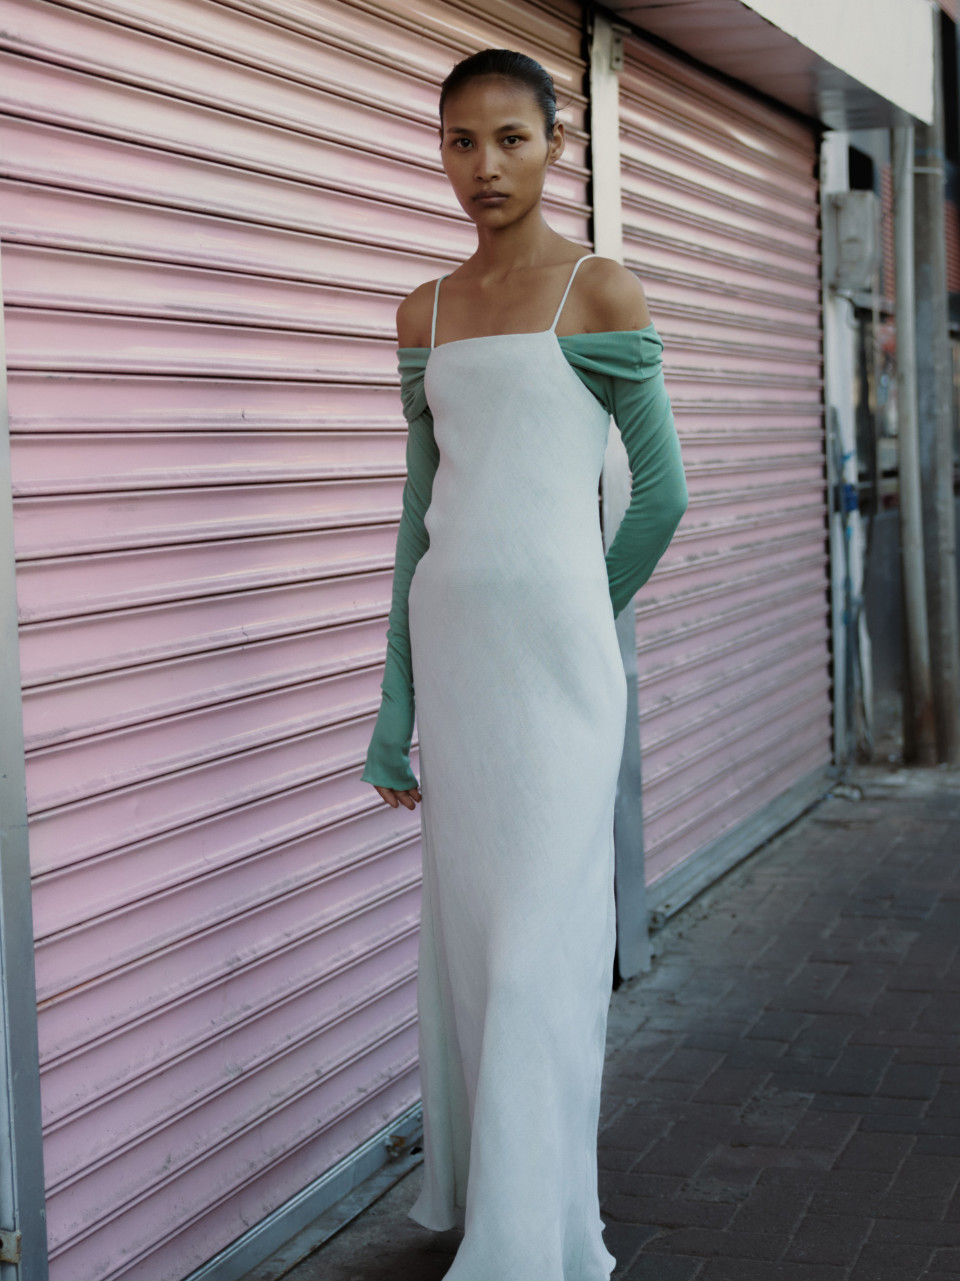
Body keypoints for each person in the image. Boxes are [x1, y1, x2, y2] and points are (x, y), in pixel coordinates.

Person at [360, 47, 688, 1281]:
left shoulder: (600, 290)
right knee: (479, 950)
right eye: (461, 141)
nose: (485, 165)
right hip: (458, 669)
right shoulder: (424, 314)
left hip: (557, 676)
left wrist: (577, 608)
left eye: (511, 138)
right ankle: (512, 1212)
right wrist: (392, 712)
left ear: (557, 146)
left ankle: (527, 1244)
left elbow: (663, 494)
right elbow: (418, 522)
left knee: (539, 948)